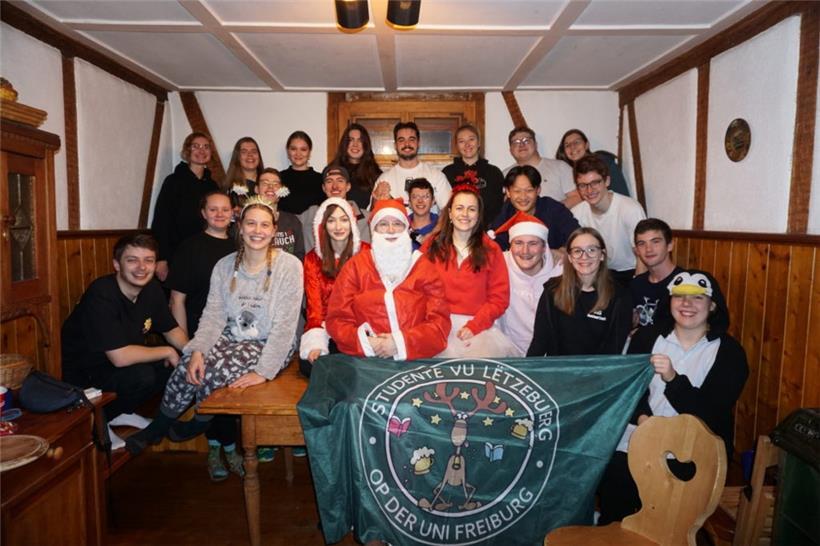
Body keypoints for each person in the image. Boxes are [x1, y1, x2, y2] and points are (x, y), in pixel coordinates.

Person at [125, 196, 303, 455]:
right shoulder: (225, 265)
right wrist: (197, 350)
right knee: (188, 363)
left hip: (271, 343)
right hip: (231, 336)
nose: (257, 231)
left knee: (217, 369)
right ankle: (160, 425)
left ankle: (199, 421)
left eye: (265, 225)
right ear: (239, 226)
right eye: (251, 223)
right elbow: (213, 316)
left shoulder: (289, 267)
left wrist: (264, 370)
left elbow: (286, 326)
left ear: (274, 230)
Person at [598, 269, 749, 524]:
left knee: (667, 521)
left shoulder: (730, 353)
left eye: (697, 298)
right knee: (616, 500)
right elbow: (627, 391)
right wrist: (645, 419)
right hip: (638, 437)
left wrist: (673, 379)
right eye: (679, 296)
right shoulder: (646, 338)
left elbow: (710, 413)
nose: (687, 304)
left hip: (691, 450)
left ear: (712, 305)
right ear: (669, 302)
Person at [62, 234, 188, 423]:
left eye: (148, 260)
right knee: (143, 375)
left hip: (118, 367)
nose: (142, 267)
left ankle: (120, 413)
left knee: (178, 369)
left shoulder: (152, 289)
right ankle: (99, 422)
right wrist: (168, 351)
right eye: (132, 260)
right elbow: (119, 358)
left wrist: (194, 353)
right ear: (117, 265)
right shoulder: (101, 294)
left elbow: (171, 330)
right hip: (85, 376)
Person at [166, 191, 243, 481]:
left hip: (238, 330)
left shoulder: (242, 244)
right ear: (204, 213)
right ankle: (221, 449)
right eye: (214, 209)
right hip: (202, 329)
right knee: (208, 381)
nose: (220, 214)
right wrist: (187, 345)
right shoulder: (190, 248)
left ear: (234, 213)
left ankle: (228, 444)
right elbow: (177, 300)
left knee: (228, 387)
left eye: (225, 209)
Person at [326, 198, 450, 360]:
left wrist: (399, 343)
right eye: (383, 224)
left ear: (407, 229)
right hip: (366, 358)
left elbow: (439, 323)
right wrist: (367, 343)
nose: (391, 230)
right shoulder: (355, 266)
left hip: (415, 359)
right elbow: (337, 319)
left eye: (397, 224)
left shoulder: (424, 267)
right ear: (373, 230)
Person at [421, 185, 517, 358]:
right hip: (436, 326)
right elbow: (416, 288)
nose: (465, 214)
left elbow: (499, 298)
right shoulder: (431, 246)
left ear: (478, 215)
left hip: (477, 330)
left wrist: (475, 326)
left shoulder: (492, 249)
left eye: (471, 209)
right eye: (459, 208)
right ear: (449, 213)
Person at [527, 227, 632, 356]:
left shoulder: (620, 296)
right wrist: (527, 373)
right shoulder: (552, 290)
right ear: (570, 257)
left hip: (600, 372)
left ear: (602, 255)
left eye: (591, 250)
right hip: (560, 371)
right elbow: (540, 341)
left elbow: (614, 348)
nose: (584, 256)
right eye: (577, 251)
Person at [300, 197, 369, 376]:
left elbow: (371, 303)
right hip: (327, 325)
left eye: (344, 219)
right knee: (311, 365)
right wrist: (315, 342)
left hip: (359, 325)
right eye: (331, 220)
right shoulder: (312, 259)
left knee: (355, 364)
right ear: (323, 225)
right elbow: (314, 308)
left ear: (352, 223)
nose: (338, 227)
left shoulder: (367, 253)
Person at [151, 132, 219, 282]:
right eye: (196, 146)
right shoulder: (173, 182)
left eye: (206, 147)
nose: (201, 151)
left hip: (205, 254)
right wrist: (161, 259)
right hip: (177, 254)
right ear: (188, 151)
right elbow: (162, 221)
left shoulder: (213, 186)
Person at [571, 154, 647, 287]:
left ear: (607, 181)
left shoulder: (630, 208)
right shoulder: (576, 213)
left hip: (630, 272)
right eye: (583, 185)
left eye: (595, 183)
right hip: (597, 273)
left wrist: (638, 286)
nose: (589, 190)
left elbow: (643, 253)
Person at [495, 211, 563, 356]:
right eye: (518, 243)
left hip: (550, 357)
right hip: (510, 355)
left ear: (544, 247)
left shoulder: (561, 271)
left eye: (533, 243)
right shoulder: (497, 263)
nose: (525, 251)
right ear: (510, 245)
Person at [490, 165, 579, 251]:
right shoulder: (502, 214)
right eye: (517, 191)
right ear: (508, 192)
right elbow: (494, 247)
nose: (523, 197)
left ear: (538, 190)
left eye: (529, 190)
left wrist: (563, 251)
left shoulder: (553, 208)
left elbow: (577, 234)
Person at [373, 121, 451, 211]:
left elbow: (449, 212)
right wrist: (376, 200)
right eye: (401, 140)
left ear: (418, 143)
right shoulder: (384, 179)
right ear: (395, 145)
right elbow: (373, 215)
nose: (407, 144)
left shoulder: (437, 176)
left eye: (411, 139)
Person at [503, 126, 580, 208]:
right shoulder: (504, 175)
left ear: (536, 144)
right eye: (516, 142)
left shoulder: (560, 167)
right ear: (511, 150)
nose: (521, 144)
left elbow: (578, 196)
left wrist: (552, 211)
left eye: (526, 140)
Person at [442, 124, 505, 223]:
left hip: (486, 230)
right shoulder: (447, 172)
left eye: (471, 139)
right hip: (455, 229)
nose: (467, 144)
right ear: (457, 146)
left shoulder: (494, 173)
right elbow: (445, 207)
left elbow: (498, 207)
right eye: (461, 141)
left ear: (479, 143)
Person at [299, 164, 370, 252]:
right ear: (324, 188)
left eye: (340, 181)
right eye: (329, 181)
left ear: (348, 186)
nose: (335, 186)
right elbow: (283, 222)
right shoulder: (311, 214)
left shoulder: (367, 217)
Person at [630, 218, 683, 329]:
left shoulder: (684, 282)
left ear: (670, 245)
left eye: (655, 242)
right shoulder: (636, 284)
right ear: (637, 251)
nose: (648, 249)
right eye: (642, 243)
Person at [556, 128, 631, 197]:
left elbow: (621, 192)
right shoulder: (566, 171)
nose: (572, 147)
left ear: (586, 145)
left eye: (577, 142)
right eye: (567, 145)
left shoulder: (603, 161)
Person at [256, 168, 305, 261]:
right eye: (265, 183)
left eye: (275, 184)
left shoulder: (293, 221)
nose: (270, 187)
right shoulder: (247, 221)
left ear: (281, 190)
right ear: (256, 189)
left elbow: (300, 255)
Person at [331, 123, 383, 210]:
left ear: (365, 145)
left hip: (366, 222)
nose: (355, 144)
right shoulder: (332, 171)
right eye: (351, 140)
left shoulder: (376, 174)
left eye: (360, 140)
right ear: (345, 144)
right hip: (338, 221)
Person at [278, 131, 326, 215]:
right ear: (288, 152)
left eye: (303, 149)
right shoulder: (278, 178)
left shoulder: (321, 179)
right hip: (285, 226)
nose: (298, 153)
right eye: (293, 149)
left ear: (309, 152)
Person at [223, 137, 264, 215]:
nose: (250, 155)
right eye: (244, 152)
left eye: (254, 151)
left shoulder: (269, 183)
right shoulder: (230, 188)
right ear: (237, 157)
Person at [407, 178, 438, 250]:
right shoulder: (401, 226)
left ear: (433, 201)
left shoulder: (442, 228)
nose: (420, 201)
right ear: (409, 203)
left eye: (425, 197)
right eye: (415, 197)